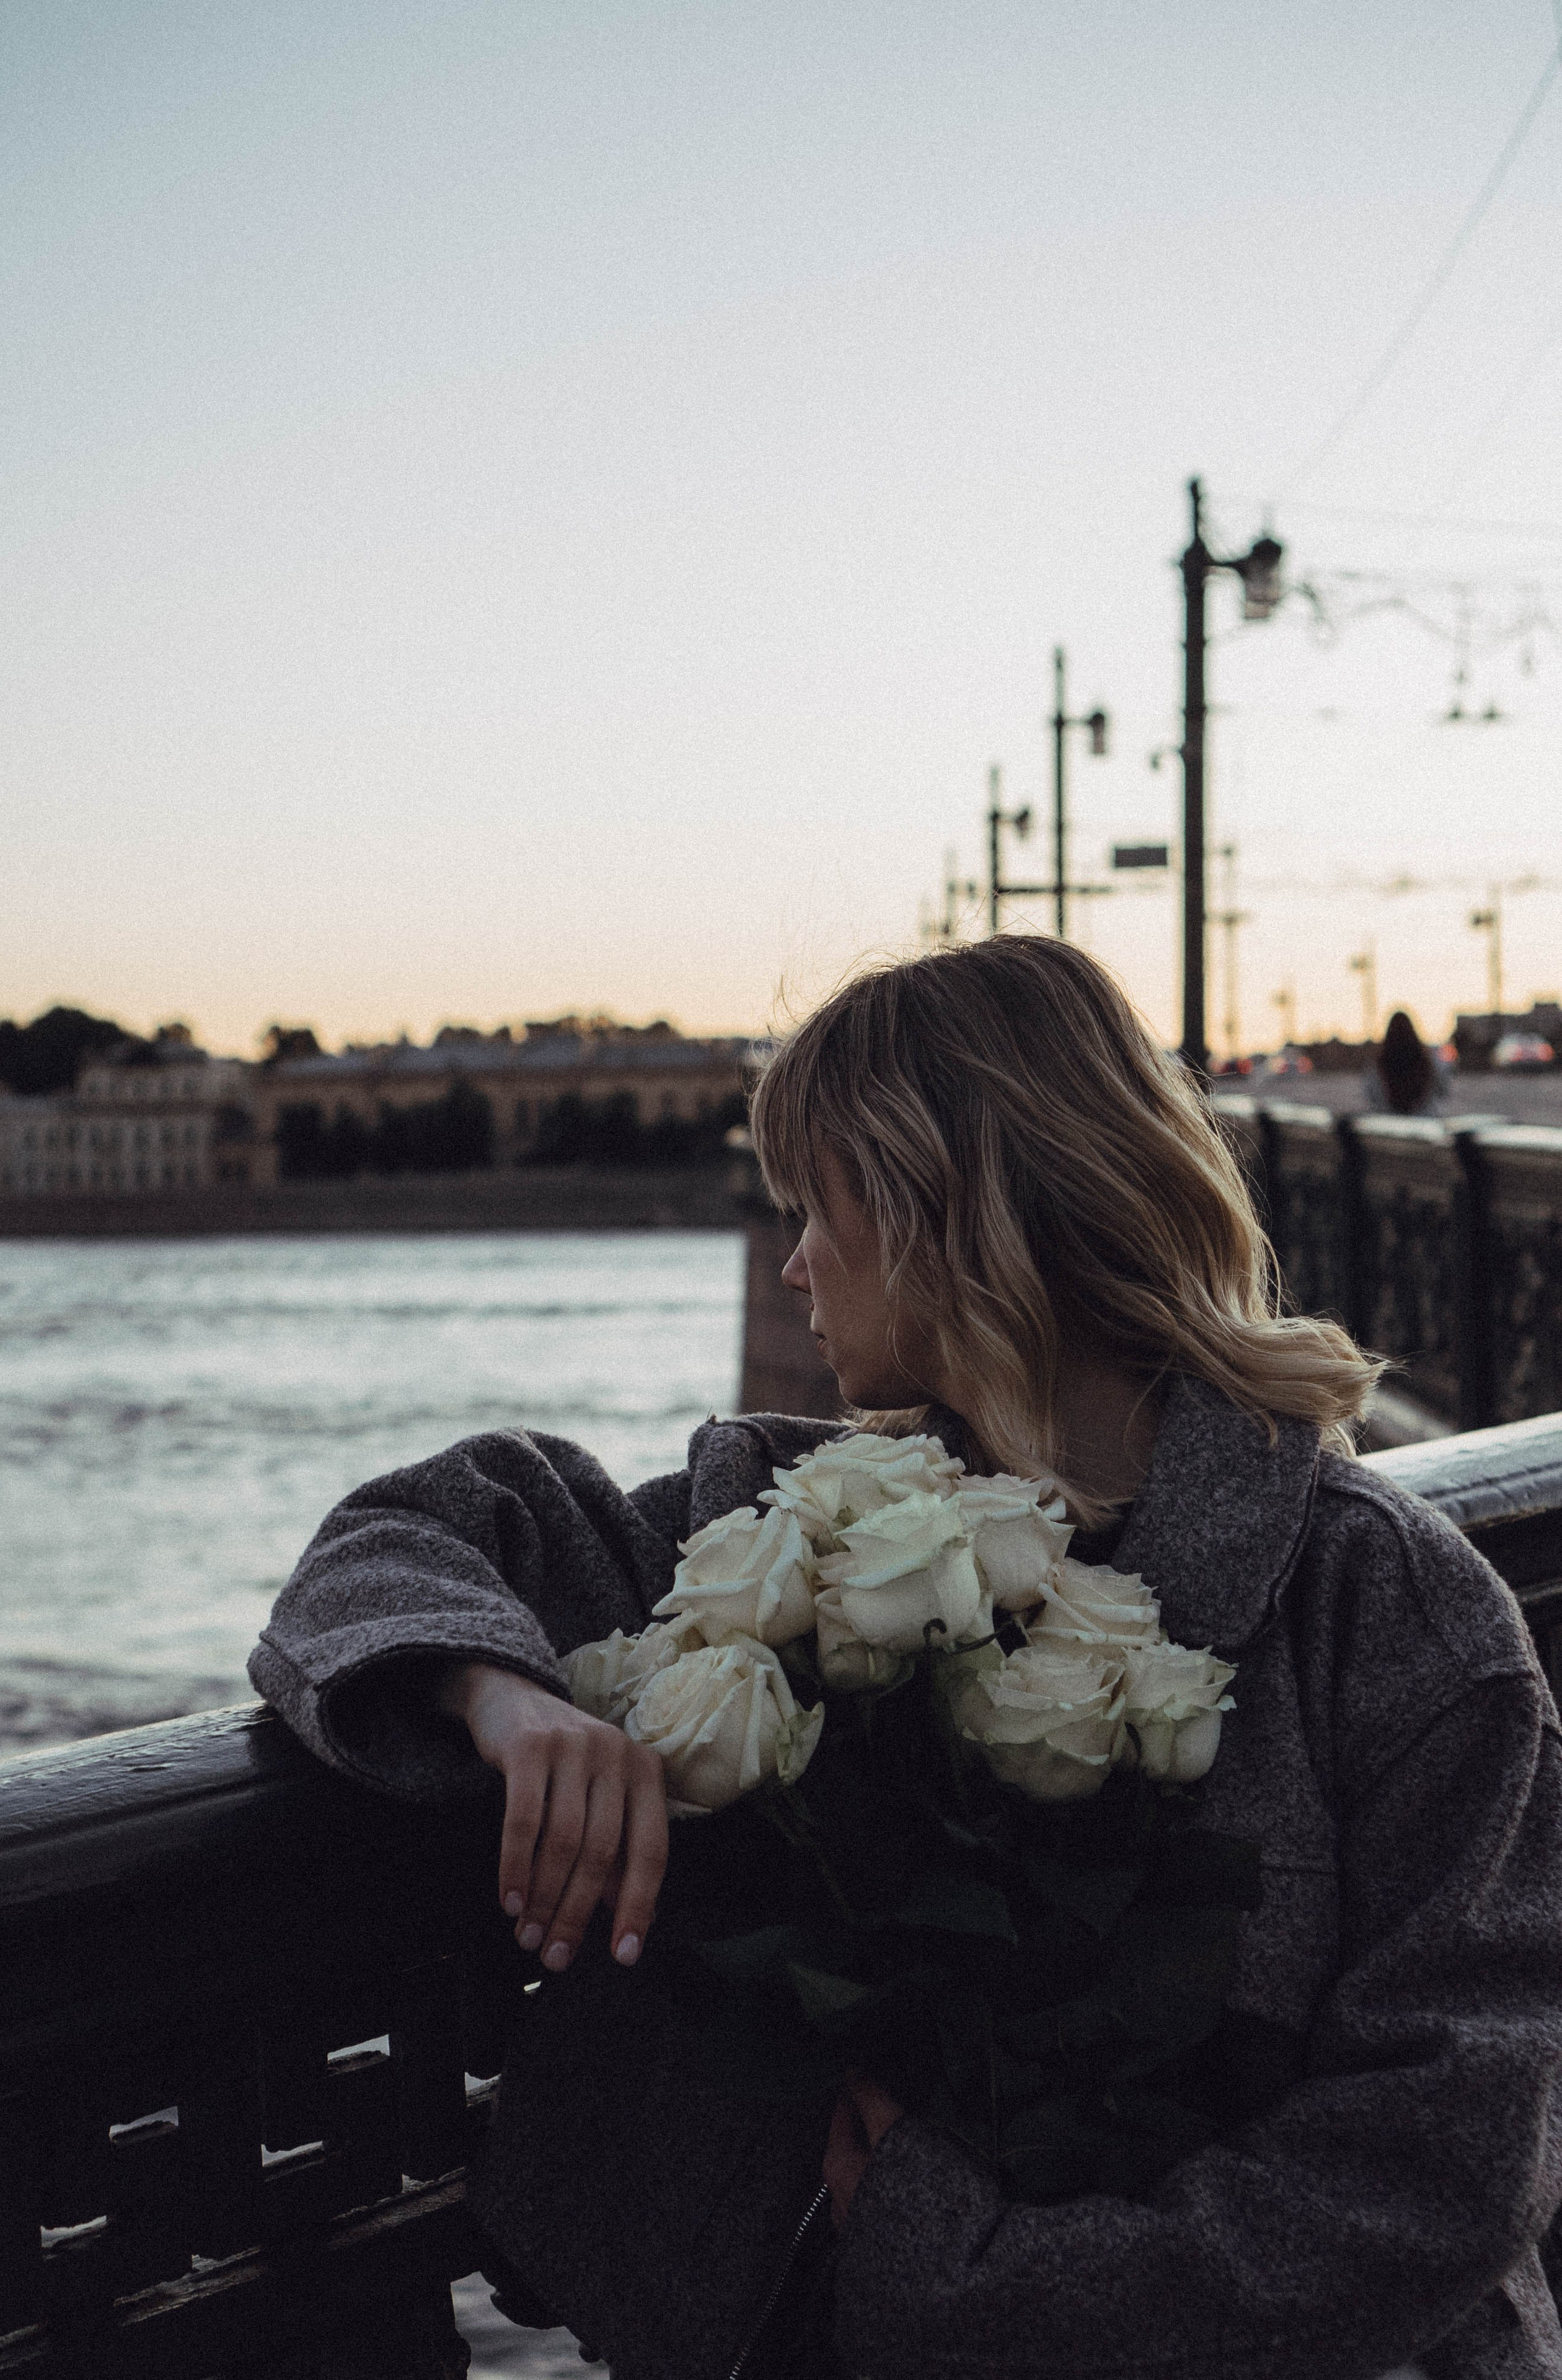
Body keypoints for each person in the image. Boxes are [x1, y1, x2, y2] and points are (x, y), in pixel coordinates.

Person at [250, 937, 1562, 2380]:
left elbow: (1445, 2164)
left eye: (816, 1208)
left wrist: (961, 2276)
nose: (792, 1264)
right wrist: (498, 1697)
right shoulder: (777, 1523)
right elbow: (397, 1538)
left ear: (949, 1210)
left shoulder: (1382, 1608)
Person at [1366, 1007, 1451, 1116]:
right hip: (1425, 1120)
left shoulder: (1377, 1066)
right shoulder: (1430, 1063)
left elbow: (1372, 1097)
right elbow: (1442, 1091)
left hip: (1390, 1122)